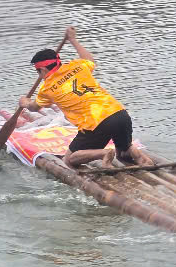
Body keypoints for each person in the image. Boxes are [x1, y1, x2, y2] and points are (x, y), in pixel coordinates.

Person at [20, 26, 151, 169]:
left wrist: (25, 102)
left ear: (43, 70)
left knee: (69, 159)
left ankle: (103, 153)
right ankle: (137, 155)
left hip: (96, 122)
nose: (39, 75)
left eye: (37, 72)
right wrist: (73, 40)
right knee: (123, 152)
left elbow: (34, 107)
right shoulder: (78, 66)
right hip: (120, 114)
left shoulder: (47, 89)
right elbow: (89, 58)